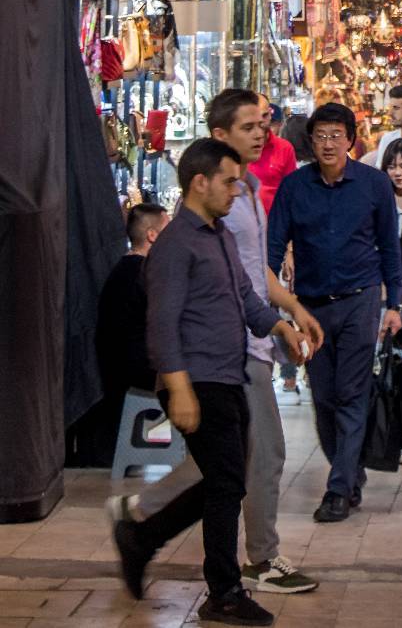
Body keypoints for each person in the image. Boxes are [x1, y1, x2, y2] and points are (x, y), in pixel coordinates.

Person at [112, 139, 310, 626]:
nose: (236, 191)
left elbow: (246, 298)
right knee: (226, 483)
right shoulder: (176, 245)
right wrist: (178, 388)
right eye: (228, 182)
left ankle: (142, 536)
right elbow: (161, 324)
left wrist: (281, 324)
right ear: (199, 182)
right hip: (196, 378)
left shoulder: (218, 235)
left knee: (225, 481)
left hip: (228, 374)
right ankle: (222, 591)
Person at [267, 102, 402, 523]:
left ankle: (338, 488)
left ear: (350, 140)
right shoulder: (294, 187)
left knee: (352, 392)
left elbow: (389, 247)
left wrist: (394, 303)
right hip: (310, 307)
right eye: (320, 136)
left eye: (336, 136)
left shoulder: (374, 184)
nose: (328, 144)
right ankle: (350, 467)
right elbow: (272, 248)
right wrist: (271, 304)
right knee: (323, 395)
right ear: (311, 141)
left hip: (360, 299)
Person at [209, 90, 321, 595]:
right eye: (249, 126)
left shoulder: (249, 187)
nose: (261, 133)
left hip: (255, 337)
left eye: (264, 124)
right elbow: (230, 283)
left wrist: (293, 308)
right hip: (235, 343)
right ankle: (262, 557)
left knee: (230, 457)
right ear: (220, 136)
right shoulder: (218, 198)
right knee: (266, 452)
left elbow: (258, 272)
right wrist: (278, 324)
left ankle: (141, 520)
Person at [97, 203, 169, 402]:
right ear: (152, 235)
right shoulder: (146, 275)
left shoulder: (122, 270)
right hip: (137, 375)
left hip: (115, 373)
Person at [249, 93, 298, 216]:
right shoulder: (237, 146)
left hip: (274, 220)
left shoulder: (284, 148)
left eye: (265, 116)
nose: (260, 121)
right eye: (254, 116)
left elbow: (291, 191)